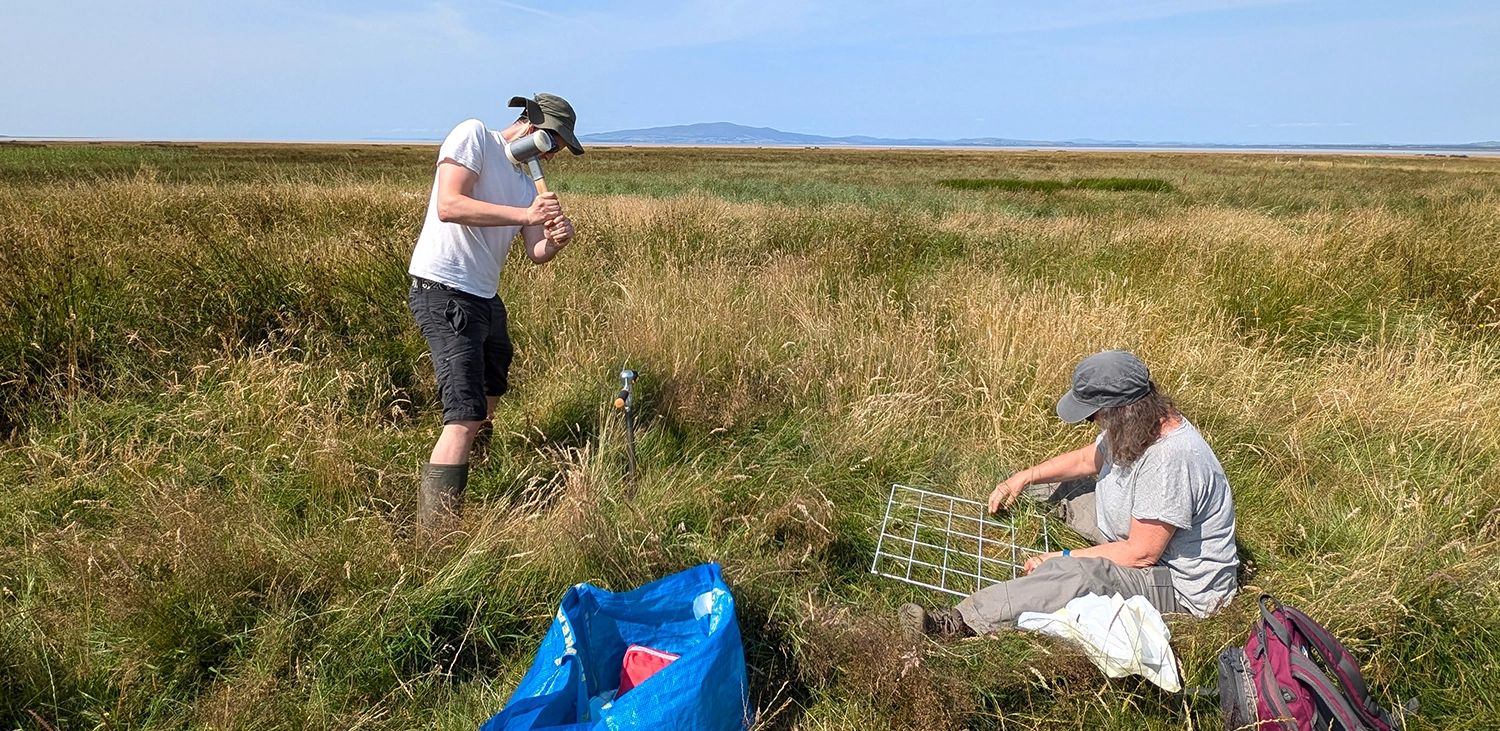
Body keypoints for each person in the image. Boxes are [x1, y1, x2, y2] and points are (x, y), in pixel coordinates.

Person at [901, 350, 1238, 637]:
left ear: (1121, 408)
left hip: (1176, 585)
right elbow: (1084, 460)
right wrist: (1023, 478)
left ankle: (960, 622)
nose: (1091, 421)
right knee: (1048, 487)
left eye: (1093, 414)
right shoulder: (1140, 421)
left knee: (1077, 575)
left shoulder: (1169, 459)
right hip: (1131, 528)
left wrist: (1062, 558)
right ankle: (1021, 521)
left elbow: (1140, 554)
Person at [407, 93, 584, 535]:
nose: (555, 152)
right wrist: (525, 213)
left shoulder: (526, 183)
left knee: (489, 396)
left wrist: (556, 240)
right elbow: (450, 205)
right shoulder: (474, 137)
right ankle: (436, 537)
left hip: (485, 297)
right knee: (464, 414)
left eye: (560, 148)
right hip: (444, 290)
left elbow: (535, 252)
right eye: (554, 141)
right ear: (532, 127)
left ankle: (475, 480)